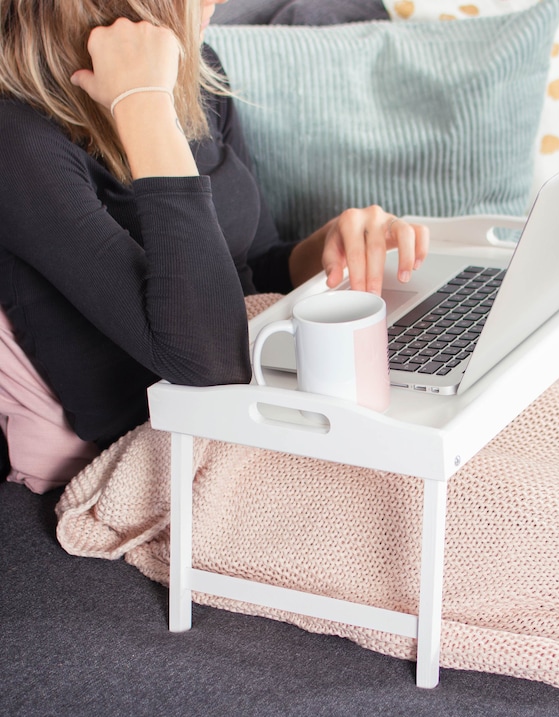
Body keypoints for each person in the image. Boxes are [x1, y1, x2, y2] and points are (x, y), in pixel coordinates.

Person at [0, 0, 428, 491]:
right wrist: (142, 105)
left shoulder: (198, 75)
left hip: (271, 389)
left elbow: (251, 267)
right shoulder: (17, 139)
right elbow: (211, 365)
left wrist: (326, 248)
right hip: (170, 449)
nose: (215, 3)